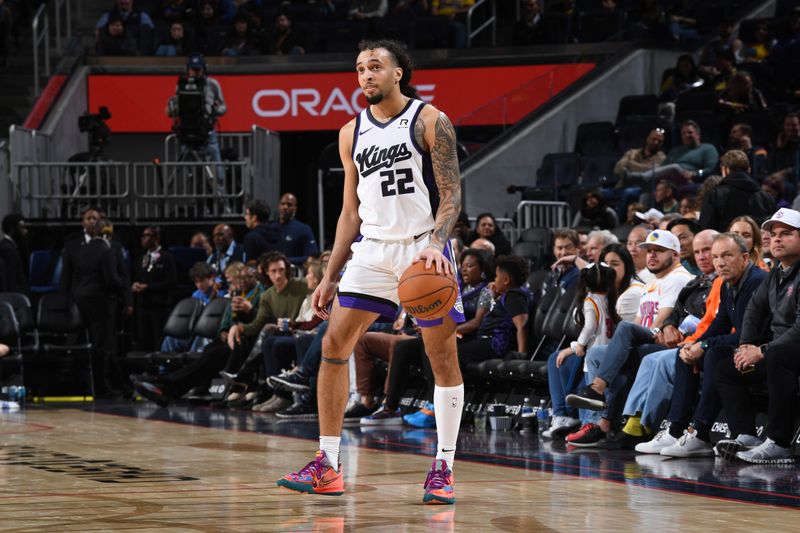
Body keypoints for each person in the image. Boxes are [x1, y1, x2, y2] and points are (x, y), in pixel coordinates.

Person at [276, 39, 465, 504]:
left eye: (376, 67)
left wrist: (438, 245)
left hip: (424, 249)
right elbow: (349, 213)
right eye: (360, 68)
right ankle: (328, 464)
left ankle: (443, 466)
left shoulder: (430, 120)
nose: (366, 75)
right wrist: (329, 274)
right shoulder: (349, 133)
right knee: (334, 345)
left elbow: (452, 193)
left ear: (399, 72)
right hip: (373, 250)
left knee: (440, 358)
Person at [638, 232, 766, 457]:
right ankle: (676, 429)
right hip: (743, 346)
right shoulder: (727, 284)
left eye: (727, 255)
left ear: (745, 258)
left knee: (713, 354)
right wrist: (695, 344)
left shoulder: (756, 282)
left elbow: (748, 336)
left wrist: (704, 346)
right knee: (685, 353)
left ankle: (699, 432)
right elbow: (720, 323)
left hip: (761, 348)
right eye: (716, 257)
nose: (720, 262)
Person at [564, 230, 693, 445]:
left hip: (667, 341)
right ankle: (599, 421)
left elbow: (662, 320)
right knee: (597, 353)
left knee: (626, 340)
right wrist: (619, 348)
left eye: (659, 251)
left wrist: (626, 344)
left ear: (676, 255)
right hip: (647, 339)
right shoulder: (652, 282)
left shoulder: (678, 278)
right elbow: (639, 321)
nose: (651, 255)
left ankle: (600, 399)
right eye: (649, 251)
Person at [714, 208, 800, 463]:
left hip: (789, 351)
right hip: (781, 350)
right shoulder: (775, 273)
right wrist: (745, 347)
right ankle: (746, 435)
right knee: (726, 368)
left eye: (786, 234)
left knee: (777, 357)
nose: (777, 239)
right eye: (773, 234)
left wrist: (762, 351)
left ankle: (779, 442)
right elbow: (754, 309)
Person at [543, 262, 620, 438]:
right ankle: (597, 425)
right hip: (608, 353)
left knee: (590, 395)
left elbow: (590, 326)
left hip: (594, 353)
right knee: (603, 394)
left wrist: (580, 344)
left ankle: (588, 426)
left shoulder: (589, 300)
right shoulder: (608, 300)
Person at [73, 218, 130, 397]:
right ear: (108, 233)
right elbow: (111, 279)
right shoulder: (106, 251)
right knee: (102, 344)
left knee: (93, 343)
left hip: (82, 298)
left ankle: (104, 384)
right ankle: (102, 387)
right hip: (100, 300)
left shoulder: (83, 249)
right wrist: (125, 288)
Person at [165, 54, 227, 207]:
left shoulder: (213, 84)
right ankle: (198, 206)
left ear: (204, 69)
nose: (196, 72)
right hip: (188, 133)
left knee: (217, 174)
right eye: (193, 69)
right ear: (188, 70)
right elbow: (174, 107)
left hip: (208, 134)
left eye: (199, 69)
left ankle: (224, 206)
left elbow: (224, 106)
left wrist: (214, 112)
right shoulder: (181, 85)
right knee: (194, 175)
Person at [698, 150, 777, 231]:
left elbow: (706, 229)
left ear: (725, 170)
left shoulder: (714, 195)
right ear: (749, 170)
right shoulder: (766, 198)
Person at [625, 121, 719, 187]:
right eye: (684, 133)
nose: (687, 135)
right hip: (671, 181)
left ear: (698, 135)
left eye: (690, 132)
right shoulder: (676, 150)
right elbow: (663, 168)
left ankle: (640, 176)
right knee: (648, 189)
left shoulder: (708, 148)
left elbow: (710, 169)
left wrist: (695, 173)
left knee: (674, 167)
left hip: (690, 180)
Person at [132, 226, 176, 351]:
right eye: (143, 236)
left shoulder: (167, 257)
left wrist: (148, 287)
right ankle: (146, 368)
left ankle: (160, 368)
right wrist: (135, 285)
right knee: (144, 339)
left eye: (147, 235)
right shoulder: (141, 259)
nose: (144, 239)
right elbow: (136, 277)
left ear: (156, 238)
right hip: (143, 306)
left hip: (160, 306)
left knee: (159, 339)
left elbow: (171, 282)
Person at [274, 193, 320, 266]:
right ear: (278, 206)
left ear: (295, 208)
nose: (285, 207)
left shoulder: (303, 229)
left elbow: (312, 257)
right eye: (282, 204)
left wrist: (286, 261)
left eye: (289, 205)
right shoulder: (270, 228)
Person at [207, 224, 245, 291]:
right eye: (214, 236)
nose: (216, 239)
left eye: (220, 235)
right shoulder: (212, 258)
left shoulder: (243, 252)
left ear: (230, 236)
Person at [0, 214, 28, 294]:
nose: (26, 231)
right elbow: (10, 280)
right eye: (22, 228)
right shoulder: (8, 250)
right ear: (12, 229)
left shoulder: (10, 247)